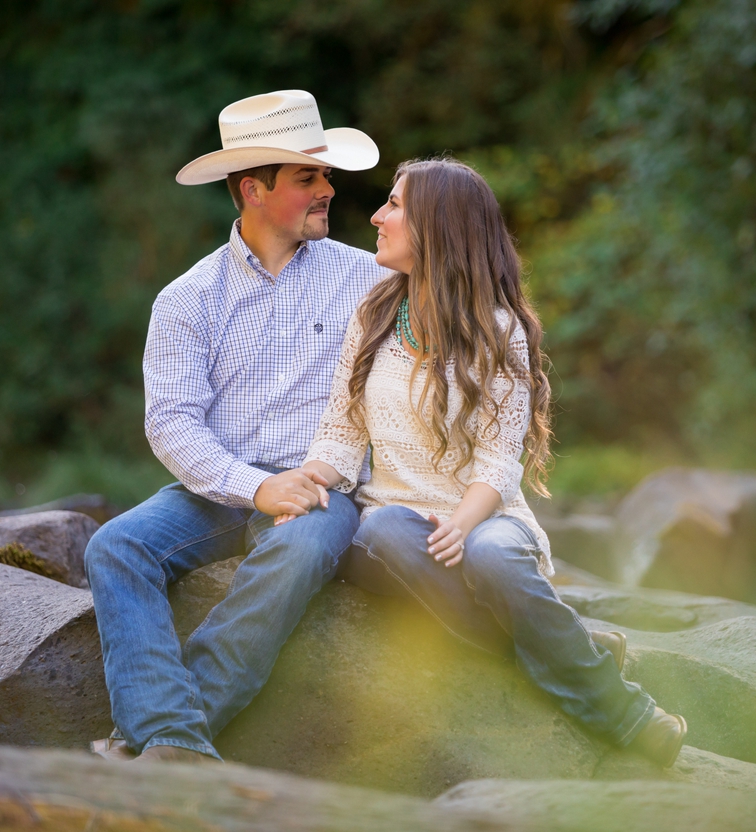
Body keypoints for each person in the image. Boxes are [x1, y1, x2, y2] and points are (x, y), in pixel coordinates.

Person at [287, 158, 689, 767]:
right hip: (395, 519)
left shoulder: (501, 331)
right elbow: (343, 431)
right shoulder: (373, 317)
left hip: (481, 511)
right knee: (388, 529)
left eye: (394, 205)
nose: (376, 215)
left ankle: (621, 709)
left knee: (493, 553)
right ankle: (579, 659)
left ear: (438, 228)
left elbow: (500, 462)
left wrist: (464, 523)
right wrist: (303, 483)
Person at [83, 90, 386, 763]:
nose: (328, 190)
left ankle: (160, 739)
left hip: (323, 487)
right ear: (253, 189)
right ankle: (175, 742)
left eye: (325, 175)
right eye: (308, 177)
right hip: (218, 487)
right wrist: (254, 488)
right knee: (115, 546)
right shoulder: (188, 299)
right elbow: (171, 424)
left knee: (299, 551)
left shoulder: (369, 280)